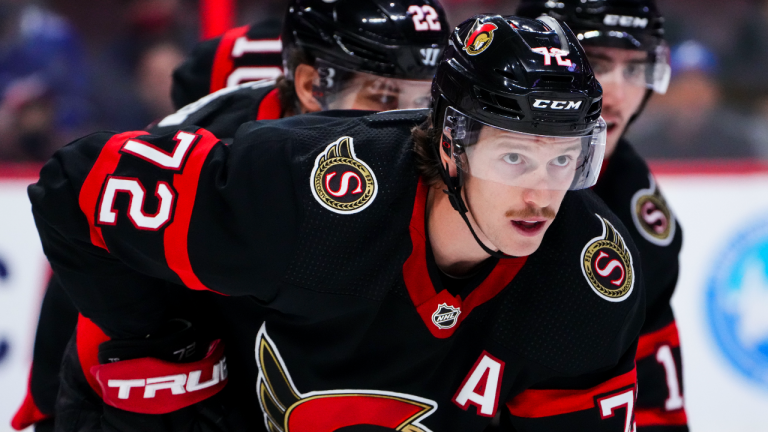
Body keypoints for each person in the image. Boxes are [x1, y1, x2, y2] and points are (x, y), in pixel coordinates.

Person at [30, 14, 646, 431]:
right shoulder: (306, 190)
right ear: (454, 146)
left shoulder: (591, 278)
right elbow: (70, 186)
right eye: (514, 156)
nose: (542, 193)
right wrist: (159, 339)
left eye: (566, 159)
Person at [13, 1, 451, 430]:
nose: (405, 124)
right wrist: (48, 404)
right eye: (382, 95)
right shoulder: (213, 156)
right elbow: (85, 226)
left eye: (425, 102)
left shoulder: (441, 155)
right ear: (311, 85)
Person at [517, 1, 689, 430]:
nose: (615, 94)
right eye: (593, 62)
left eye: (635, 70)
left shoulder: (638, 213)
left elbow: (653, 405)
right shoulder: (446, 170)